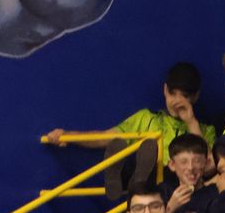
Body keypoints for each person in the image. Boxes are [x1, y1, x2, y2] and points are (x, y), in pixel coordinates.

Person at [47, 62, 212, 197]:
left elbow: (209, 167)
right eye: (172, 93)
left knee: (167, 170)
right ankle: (128, 179)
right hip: (146, 195)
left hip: (181, 191)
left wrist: (191, 122)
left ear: (195, 96)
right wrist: (68, 136)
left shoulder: (205, 130)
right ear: (164, 90)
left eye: (184, 95)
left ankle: (140, 180)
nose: (177, 101)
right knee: (134, 159)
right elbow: (105, 137)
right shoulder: (146, 118)